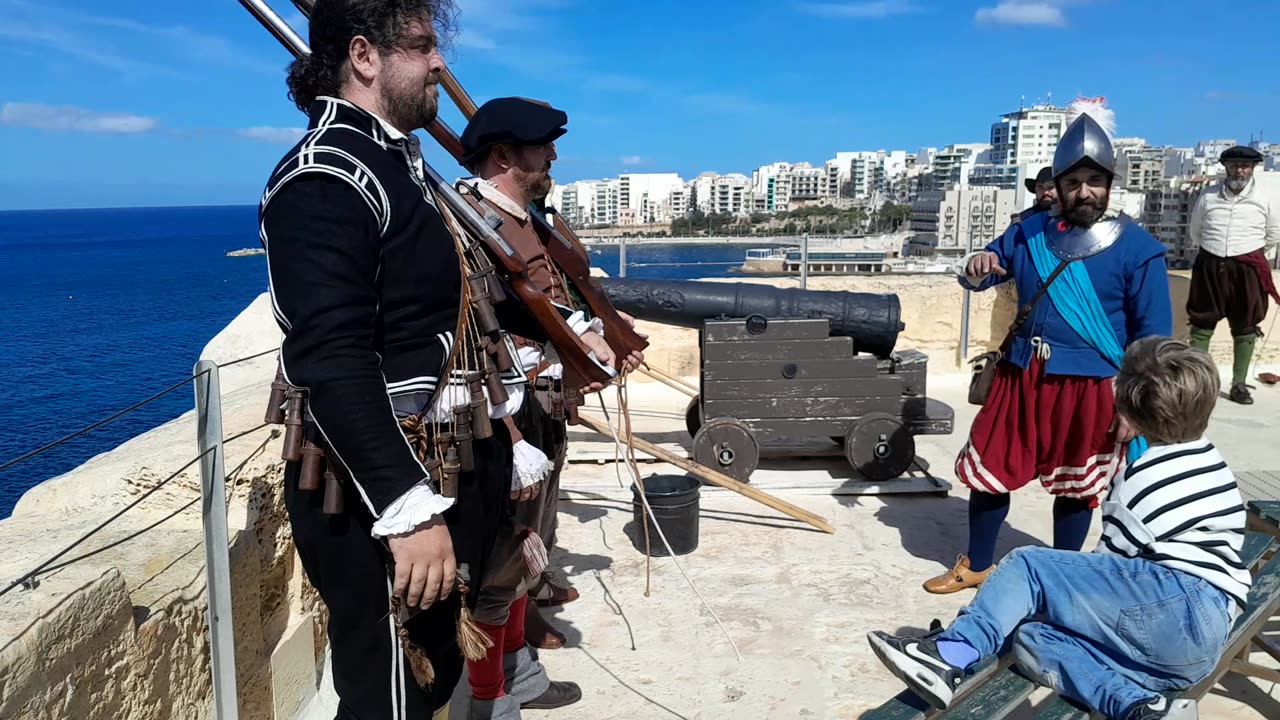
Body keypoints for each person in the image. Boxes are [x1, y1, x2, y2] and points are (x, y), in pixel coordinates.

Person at [259, 2, 547, 717]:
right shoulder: (325, 174)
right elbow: (329, 355)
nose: (439, 64)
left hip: (441, 467)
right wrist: (406, 510)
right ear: (364, 57)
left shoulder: (395, 164)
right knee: (390, 697)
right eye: (422, 47)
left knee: (435, 679)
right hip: (379, 497)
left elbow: (449, 312)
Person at [868, 336, 1251, 720]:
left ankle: (948, 654)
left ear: (1125, 408)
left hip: (1175, 603)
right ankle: (1139, 707)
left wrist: (1037, 597)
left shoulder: (1138, 479)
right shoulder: (1211, 462)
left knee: (1028, 565)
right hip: (1201, 641)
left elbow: (1109, 570)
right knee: (1032, 640)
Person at [926, 97, 1173, 594]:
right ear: (1058, 186)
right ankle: (977, 563)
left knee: (1076, 487)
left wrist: (1136, 405)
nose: (1084, 192)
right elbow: (982, 271)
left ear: (1109, 183)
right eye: (1073, 182)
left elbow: (1153, 338)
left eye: (1094, 181)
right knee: (990, 468)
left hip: (1091, 385)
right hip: (1021, 375)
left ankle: (1062, 578)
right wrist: (978, 265)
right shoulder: (1029, 231)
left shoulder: (1138, 248)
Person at [1186, 144, 1280, 405]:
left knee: (1246, 324)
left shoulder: (1267, 196)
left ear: (1253, 169)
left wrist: (1246, 253)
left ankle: (1239, 384)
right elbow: (1196, 231)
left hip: (1247, 266)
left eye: (1245, 166)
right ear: (1225, 168)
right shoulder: (1208, 196)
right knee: (1202, 322)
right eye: (1235, 166)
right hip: (1210, 263)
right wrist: (1215, 252)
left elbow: (1273, 234)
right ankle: (1198, 384)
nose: (1240, 170)